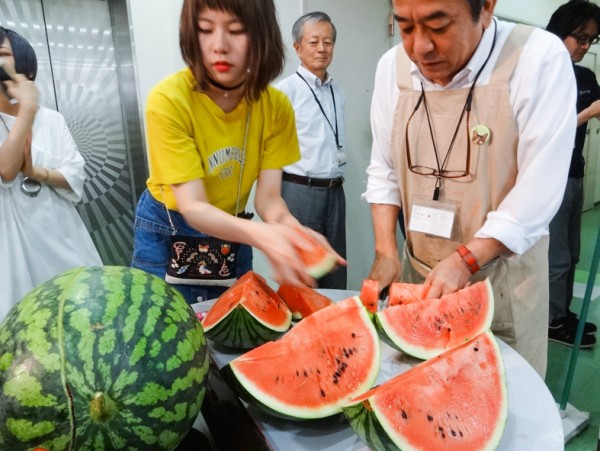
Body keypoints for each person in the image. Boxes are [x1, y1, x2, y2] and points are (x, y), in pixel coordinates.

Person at [363, 0, 577, 377]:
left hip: (504, 284)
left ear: (487, 7)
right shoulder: (390, 67)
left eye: (438, 26)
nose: (420, 48)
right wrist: (385, 249)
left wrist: (465, 260)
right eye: (406, 27)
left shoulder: (537, 58)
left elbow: (538, 189)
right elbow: (383, 170)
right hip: (420, 277)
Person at [131, 0, 343, 305]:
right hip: (167, 233)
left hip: (234, 232)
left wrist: (293, 231)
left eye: (236, 30)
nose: (219, 45)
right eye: (205, 29)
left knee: (235, 338)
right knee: (161, 337)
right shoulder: (168, 100)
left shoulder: (276, 106)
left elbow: (269, 199)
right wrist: (265, 236)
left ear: (261, 36)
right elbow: (194, 207)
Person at [0, 27, 103, 323]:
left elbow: (75, 174)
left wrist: (37, 172)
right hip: (12, 246)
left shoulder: (52, 120)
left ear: (24, 64)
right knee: (23, 327)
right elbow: (6, 169)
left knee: (81, 317)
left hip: (61, 235)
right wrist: (27, 110)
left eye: (4, 54)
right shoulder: (33, 113)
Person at [275, 11, 347, 289]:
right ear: (297, 48)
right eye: (314, 42)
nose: (321, 49)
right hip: (298, 193)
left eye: (327, 42)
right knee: (302, 276)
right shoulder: (285, 92)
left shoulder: (336, 90)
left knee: (334, 269)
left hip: (335, 191)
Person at [546, 0, 600, 349]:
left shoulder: (586, 76)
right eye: (579, 37)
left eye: (591, 40)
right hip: (549, 178)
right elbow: (541, 132)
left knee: (573, 255)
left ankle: (563, 311)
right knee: (558, 258)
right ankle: (551, 321)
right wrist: (586, 114)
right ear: (558, 32)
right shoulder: (542, 74)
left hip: (575, 173)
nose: (584, 45)